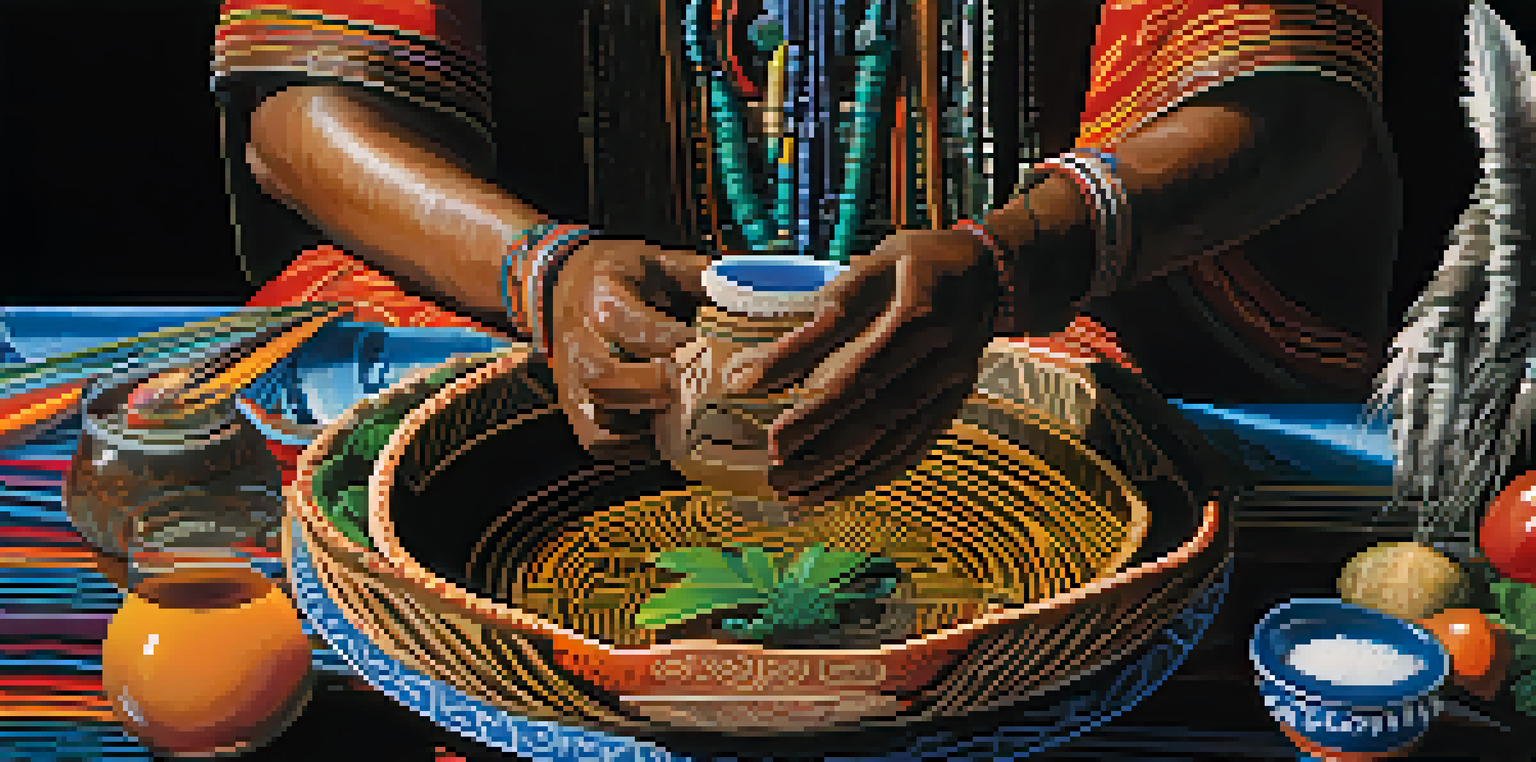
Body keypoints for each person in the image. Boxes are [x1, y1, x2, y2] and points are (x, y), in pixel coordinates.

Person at [215, 0, 1397, 504]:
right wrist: (549, 276)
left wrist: (1015, 261)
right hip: (542, 332)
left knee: (1108, 467)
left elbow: (1290, 95)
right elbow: (308, 111)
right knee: (373, 435)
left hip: (1048, 317)